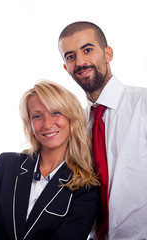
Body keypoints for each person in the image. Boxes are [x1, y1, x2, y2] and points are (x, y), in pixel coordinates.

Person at [58, 21, 147, 240]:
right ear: (65, 68)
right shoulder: (75, 125)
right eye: (70, 56)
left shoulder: (143, 104)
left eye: (88, 50)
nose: (80, 62)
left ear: (108, 53)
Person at [0, 80, 99, 240]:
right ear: (30, 124)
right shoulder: (6, 164)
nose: (47, 124)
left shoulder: (86, 187)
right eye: (37, 116)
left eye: (55, 113)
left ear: (71, 117)